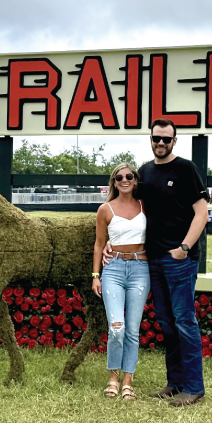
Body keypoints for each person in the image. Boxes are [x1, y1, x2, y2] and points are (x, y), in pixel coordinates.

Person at [104, 119, 210, 407]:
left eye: (166, 139)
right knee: (167, 323)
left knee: (184, 321)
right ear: (150, 139)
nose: (160, 143)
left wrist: (184, 247)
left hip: (179, 260)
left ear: (174, 141)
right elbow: (131, 210)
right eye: (156, 138)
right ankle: (175, 383)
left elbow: (202, 213)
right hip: (152, 260)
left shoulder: (186, 169)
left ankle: (194, 387)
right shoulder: (145, 172)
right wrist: (112, 241)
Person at [92, 163, 150, 400]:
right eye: (119, 177)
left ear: (135, 180)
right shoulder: (105, 209)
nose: (124, 180)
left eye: (129, 176)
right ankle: (112, 379)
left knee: (133, 330)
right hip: (113, 269)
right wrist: (95, 275)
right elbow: (99, 244)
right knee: (117, 328)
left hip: (140, 269)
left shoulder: (145, 205)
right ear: (114, 182)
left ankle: (127, 381)